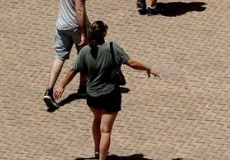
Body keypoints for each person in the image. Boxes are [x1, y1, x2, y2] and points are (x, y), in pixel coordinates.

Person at [54, 21, 159, 160]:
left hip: (92, 95)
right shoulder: (112, 48)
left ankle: (97, 150)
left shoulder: (85, 51)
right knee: (106, 130)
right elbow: (131, 63)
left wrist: (61, 85)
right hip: (110, 95)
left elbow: (73, 70)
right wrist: (147, 68)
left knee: (97, 119)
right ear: (104, 33)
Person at [42, 0, 92, 109]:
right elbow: (79, 9)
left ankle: (48, 90)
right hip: (75, 27)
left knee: (59, 56)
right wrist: (83, 32)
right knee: (84, 56)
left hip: (61, 24)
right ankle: (82, 88)